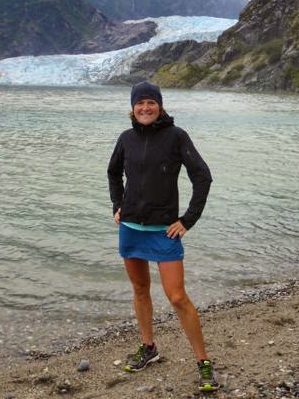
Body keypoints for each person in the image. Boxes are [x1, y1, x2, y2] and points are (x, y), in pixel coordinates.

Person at [107, 81, 218, 392]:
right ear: (133, 108)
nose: (145, 108)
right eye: (140, 103)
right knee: (140, 289)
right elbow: (113, 173)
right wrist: (118, 205)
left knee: (177, 297)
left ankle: (203, 362)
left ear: (159, 106)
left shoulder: (176, 136)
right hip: (130, 227)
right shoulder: (126, 139)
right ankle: (149, 347)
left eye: (151, 103)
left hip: (163, 230)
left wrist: (188, 219)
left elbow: (202, 177)